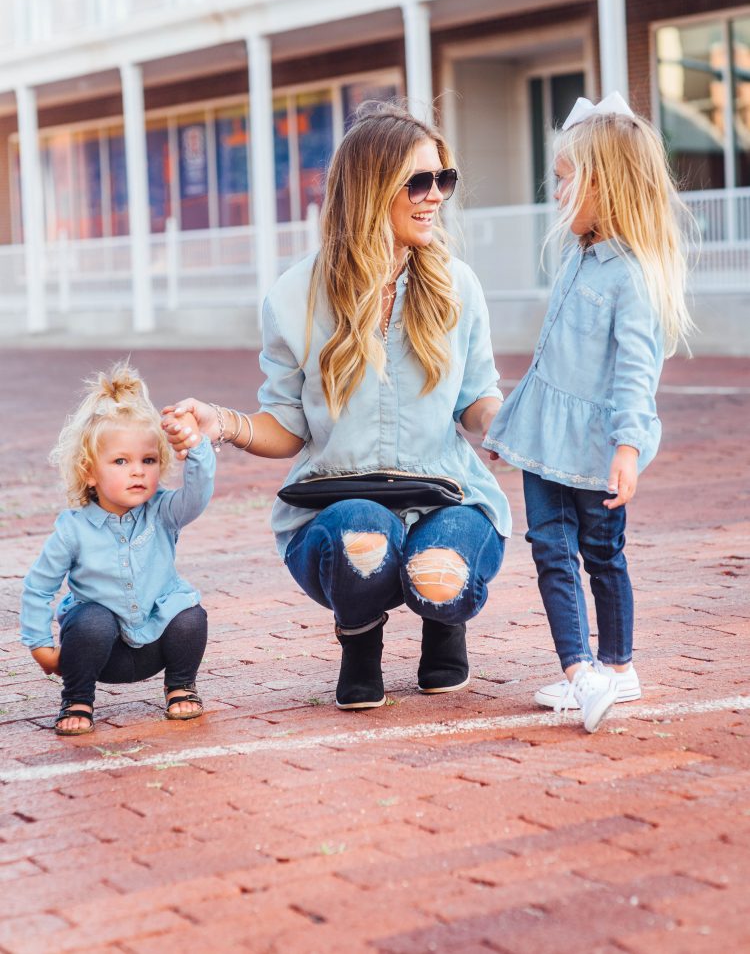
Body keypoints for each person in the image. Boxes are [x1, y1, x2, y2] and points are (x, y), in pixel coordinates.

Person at [163, 102, 510, 710]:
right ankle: (359, 638)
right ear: (371, 188)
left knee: (439, 570)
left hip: (446, 491)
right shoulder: (295, 294)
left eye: (443, 180)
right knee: (363, 536)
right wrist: (223, 423)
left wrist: (503, 423)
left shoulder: (459, 285)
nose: (435, 197)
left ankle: (443, 623)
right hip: (336, 503)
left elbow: (475, 398)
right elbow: (287, 427)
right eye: (419, 182)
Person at [484, 92, 694, 732]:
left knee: (603, 554)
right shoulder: (577, 257)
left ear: (602, 185)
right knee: (549, 547)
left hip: (598, 445)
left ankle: (617, 665)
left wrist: (628, 447)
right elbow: (548, 358)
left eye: (564, 179)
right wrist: (510, 426)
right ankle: (579, 671)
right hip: (547, 438)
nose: (555, 193)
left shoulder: (633, 277)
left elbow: (636, 373)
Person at [20, 361, 215, 735]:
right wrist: (40, 645)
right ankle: (77, 697)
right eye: (121, 461)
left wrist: (197, 447)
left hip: (156, 642)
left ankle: (180, 685)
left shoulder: (163, 511)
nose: (138, 471)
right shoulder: (73, 528)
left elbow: (197, 494)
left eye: (148, 460)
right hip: (100, 650)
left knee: (190, 614)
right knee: (91, 618)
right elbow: (38, 587)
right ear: (89, 471)